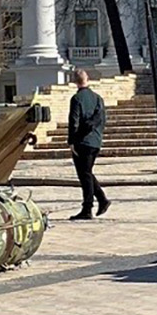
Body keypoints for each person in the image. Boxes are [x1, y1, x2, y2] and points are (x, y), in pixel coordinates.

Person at [67, 69, 110, 220]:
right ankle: (102, 200)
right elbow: (102, 118)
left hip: (82, 142)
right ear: (88, 79)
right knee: (87, 172)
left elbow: (74, 122)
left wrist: (71, 141)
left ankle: (88, 207)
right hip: (95, 140)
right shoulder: (98, 98)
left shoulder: (77, 99)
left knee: (84, 175)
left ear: (74, 81)